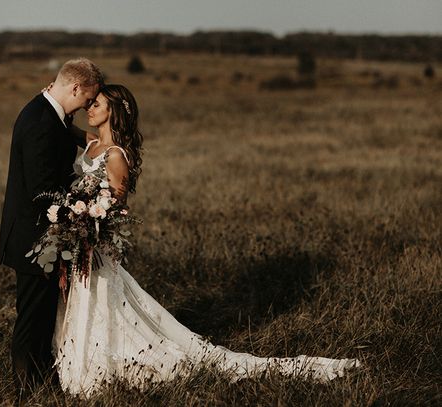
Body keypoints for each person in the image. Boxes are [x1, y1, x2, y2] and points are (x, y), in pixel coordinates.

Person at [53, 84, 360, 397]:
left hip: (97, 243)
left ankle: (102, 365)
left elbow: (116, 209)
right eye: (89, 104)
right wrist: (53, 103)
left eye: (96, 104)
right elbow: (68, 128)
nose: (89, 108)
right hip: (81, 243)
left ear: (113, 112)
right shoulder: (92, 143)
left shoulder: (117, 157)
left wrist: (88, 220)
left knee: (102, 301)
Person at [0, 58, 103, 394]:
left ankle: (42, 379)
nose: (87, 106)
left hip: (41, 238)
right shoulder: (41, 121)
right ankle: (26, 391)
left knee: (43, 316)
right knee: (31, 319)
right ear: (75, 88)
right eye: (87, 99)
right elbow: (42, 189)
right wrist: (83, 205)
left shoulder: (48, 113)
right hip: (33, 238)